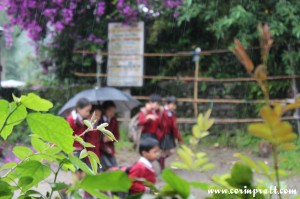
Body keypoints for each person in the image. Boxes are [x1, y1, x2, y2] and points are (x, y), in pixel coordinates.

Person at [66, 98, 92, 179]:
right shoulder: (71, 119)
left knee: (82, 174)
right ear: (79, 109)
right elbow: (67, 135)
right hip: (74, 150)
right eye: (86, 111)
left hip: (80, 149)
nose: (88, 113)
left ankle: (68, 190)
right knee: (77, 174)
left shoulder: (81, 119)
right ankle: (67, 190)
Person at [158, 96, 182, 170]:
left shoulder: (171, 113)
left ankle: (160, 160)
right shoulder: (162, 112)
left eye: (175, 105)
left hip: (169, 134)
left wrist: (178, 137)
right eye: (173, 105)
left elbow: (174, 126)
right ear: (168, 104)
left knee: (170, 151)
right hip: (163, 134)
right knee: (166, 151)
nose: (174, 107)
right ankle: (161, 165)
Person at [99, 101, 120, 171]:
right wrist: (102, 139)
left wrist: (110, 138)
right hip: (100, 149)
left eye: (113, 111)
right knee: (105, 168)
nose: (112, 113)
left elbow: (117, 136)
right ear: (104, 110)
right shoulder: (99, 119)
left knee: (114, 167)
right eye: (109, 111)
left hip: (110, 149)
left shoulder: (114, 121)